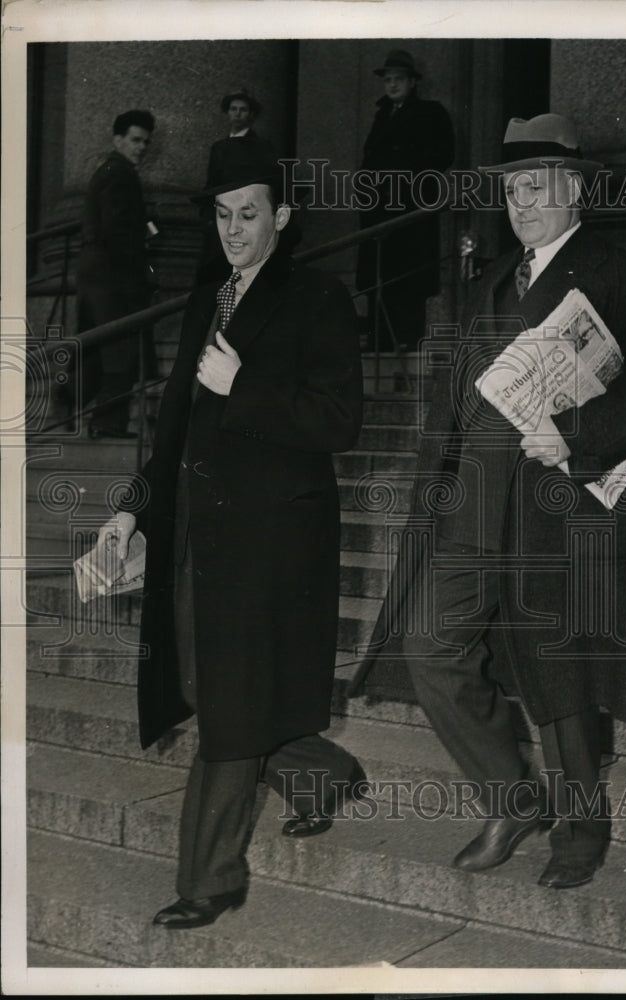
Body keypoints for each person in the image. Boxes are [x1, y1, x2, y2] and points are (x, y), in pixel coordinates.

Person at [349, 114, 626, 890]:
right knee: (431, 647)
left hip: (558, 501)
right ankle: (513, 796)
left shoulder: (618, 273)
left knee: (562, 676)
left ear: (574, 190)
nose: (521, 203)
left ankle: (580, 829)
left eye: (536, 187)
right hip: (472, 500)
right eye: (511, 190)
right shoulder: (492, 279)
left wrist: (577, 435)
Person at [98, 144, 366, 929]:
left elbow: (338, 421)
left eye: (249, 214)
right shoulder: (205, 298)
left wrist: (243, 384)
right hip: (196, 534)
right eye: (221, 215)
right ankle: (326, 773)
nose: (234, 230)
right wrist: (131, 510)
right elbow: (176, 420)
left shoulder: (319, 298)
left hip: (273, 543)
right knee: (195, 684)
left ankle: (208, 880)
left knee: (230, 701)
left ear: (281, 217)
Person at [355, 50, 454, 352]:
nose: (393, 85)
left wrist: (410, 184)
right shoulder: (381, 116)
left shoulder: (430, 113)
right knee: (379, 275)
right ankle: (380, 339)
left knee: (408, 277)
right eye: (388, 80)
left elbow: (441, 156)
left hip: (410, 208)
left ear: (412, 82)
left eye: (399, 79)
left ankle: (406, 340)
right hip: (378, 210)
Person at [75, 109, 157, 438]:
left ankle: (74, 404)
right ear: (118, 139)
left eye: (146, 142)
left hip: (98, 270)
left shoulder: (109, 170)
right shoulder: (119, 174)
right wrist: (142, 269)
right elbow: (116, 230)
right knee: (120, 348)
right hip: (113, 273)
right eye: (135, 140)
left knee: (101, 346)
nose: (141, 147)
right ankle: (107, 424)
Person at [195, 90, 277, 285]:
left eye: (243, 110)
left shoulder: (261, 147)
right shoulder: (219, 147)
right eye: (233, 109)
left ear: (251, 115)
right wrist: (207, 217)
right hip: (219, 219)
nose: (237, 114)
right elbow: (212, 184)